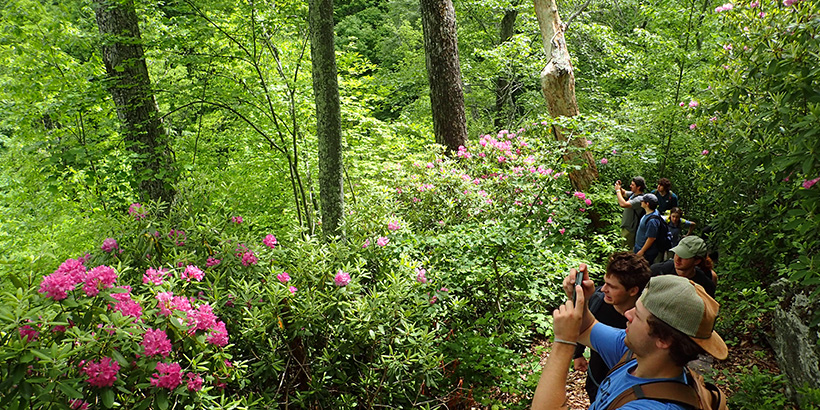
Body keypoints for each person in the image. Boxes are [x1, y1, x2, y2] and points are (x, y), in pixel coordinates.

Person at [531, 269, 728, 410]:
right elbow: (587, 328)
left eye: (639, 314)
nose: (628, 314)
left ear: (663, 339)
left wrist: (563, 342)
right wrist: (580, 299)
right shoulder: (635, 356)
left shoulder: (650, 407)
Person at [572, 253, 652, 402]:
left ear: (633, 291)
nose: (603, 290)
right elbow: (584, 327)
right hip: (599, 379)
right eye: (605, 283)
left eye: (612, 286)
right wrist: (577, 354)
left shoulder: (648, 315)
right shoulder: (600, 301)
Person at [651, 236, 717, 297]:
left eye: (684, 256)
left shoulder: (704, 284)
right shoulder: (657, 271)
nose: (677, 259)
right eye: (677, 253)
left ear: (697, 261)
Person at [615, 177, 647, 251]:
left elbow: (623, 204)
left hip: (630, 229)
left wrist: (617, 191)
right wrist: (619, 186)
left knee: (627, 250)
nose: (630, 186)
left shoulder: (639, 199)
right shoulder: (633, 194)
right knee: (623, 247)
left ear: (638, 187)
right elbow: (624, 193)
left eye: (632, 185)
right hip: (626, 226)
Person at [633, 193, 662, 265]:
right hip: (639, 247)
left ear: (647, 204)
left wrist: (642, 251)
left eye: (643, 201)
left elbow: (651, 238)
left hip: (646, 252)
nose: (641, 202)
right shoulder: (652, 212)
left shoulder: (652, 221)